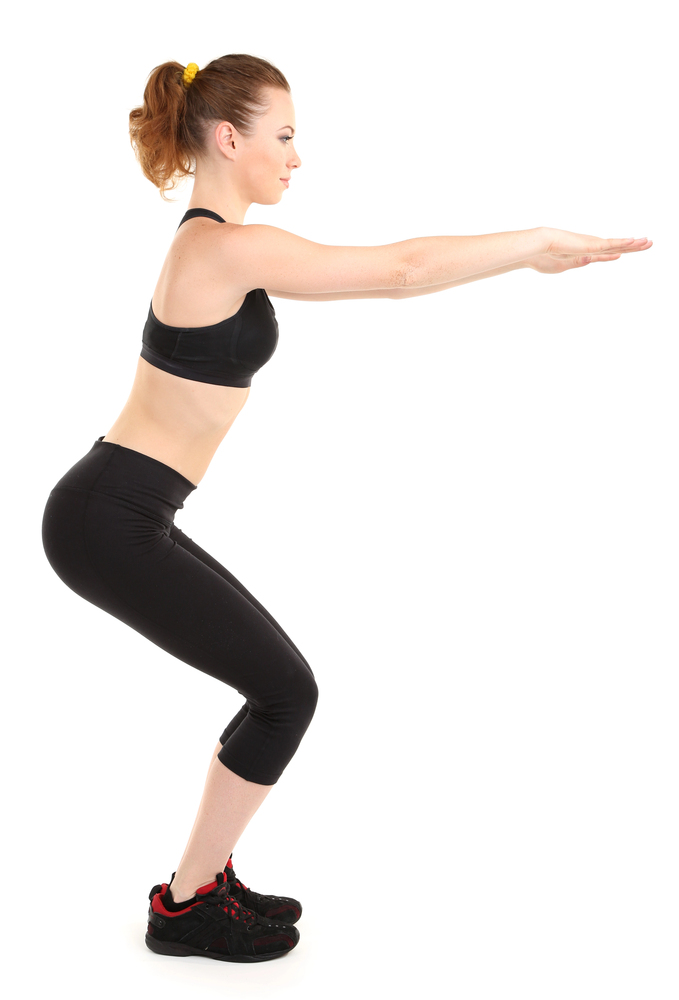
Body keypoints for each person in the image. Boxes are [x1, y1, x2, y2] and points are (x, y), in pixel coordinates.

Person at [40, 53, 652, 965]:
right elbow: (400, 270)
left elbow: (395, 275)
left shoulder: (216, 244)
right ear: (228, 137)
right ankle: (185, 906)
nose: (297, 157)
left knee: (279, 688)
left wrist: (526, 254)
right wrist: (531, 244)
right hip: (109, 517)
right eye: (284, 137)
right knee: (285, 693)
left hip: (125, 510)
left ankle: (199, 884)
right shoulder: (220, 247)